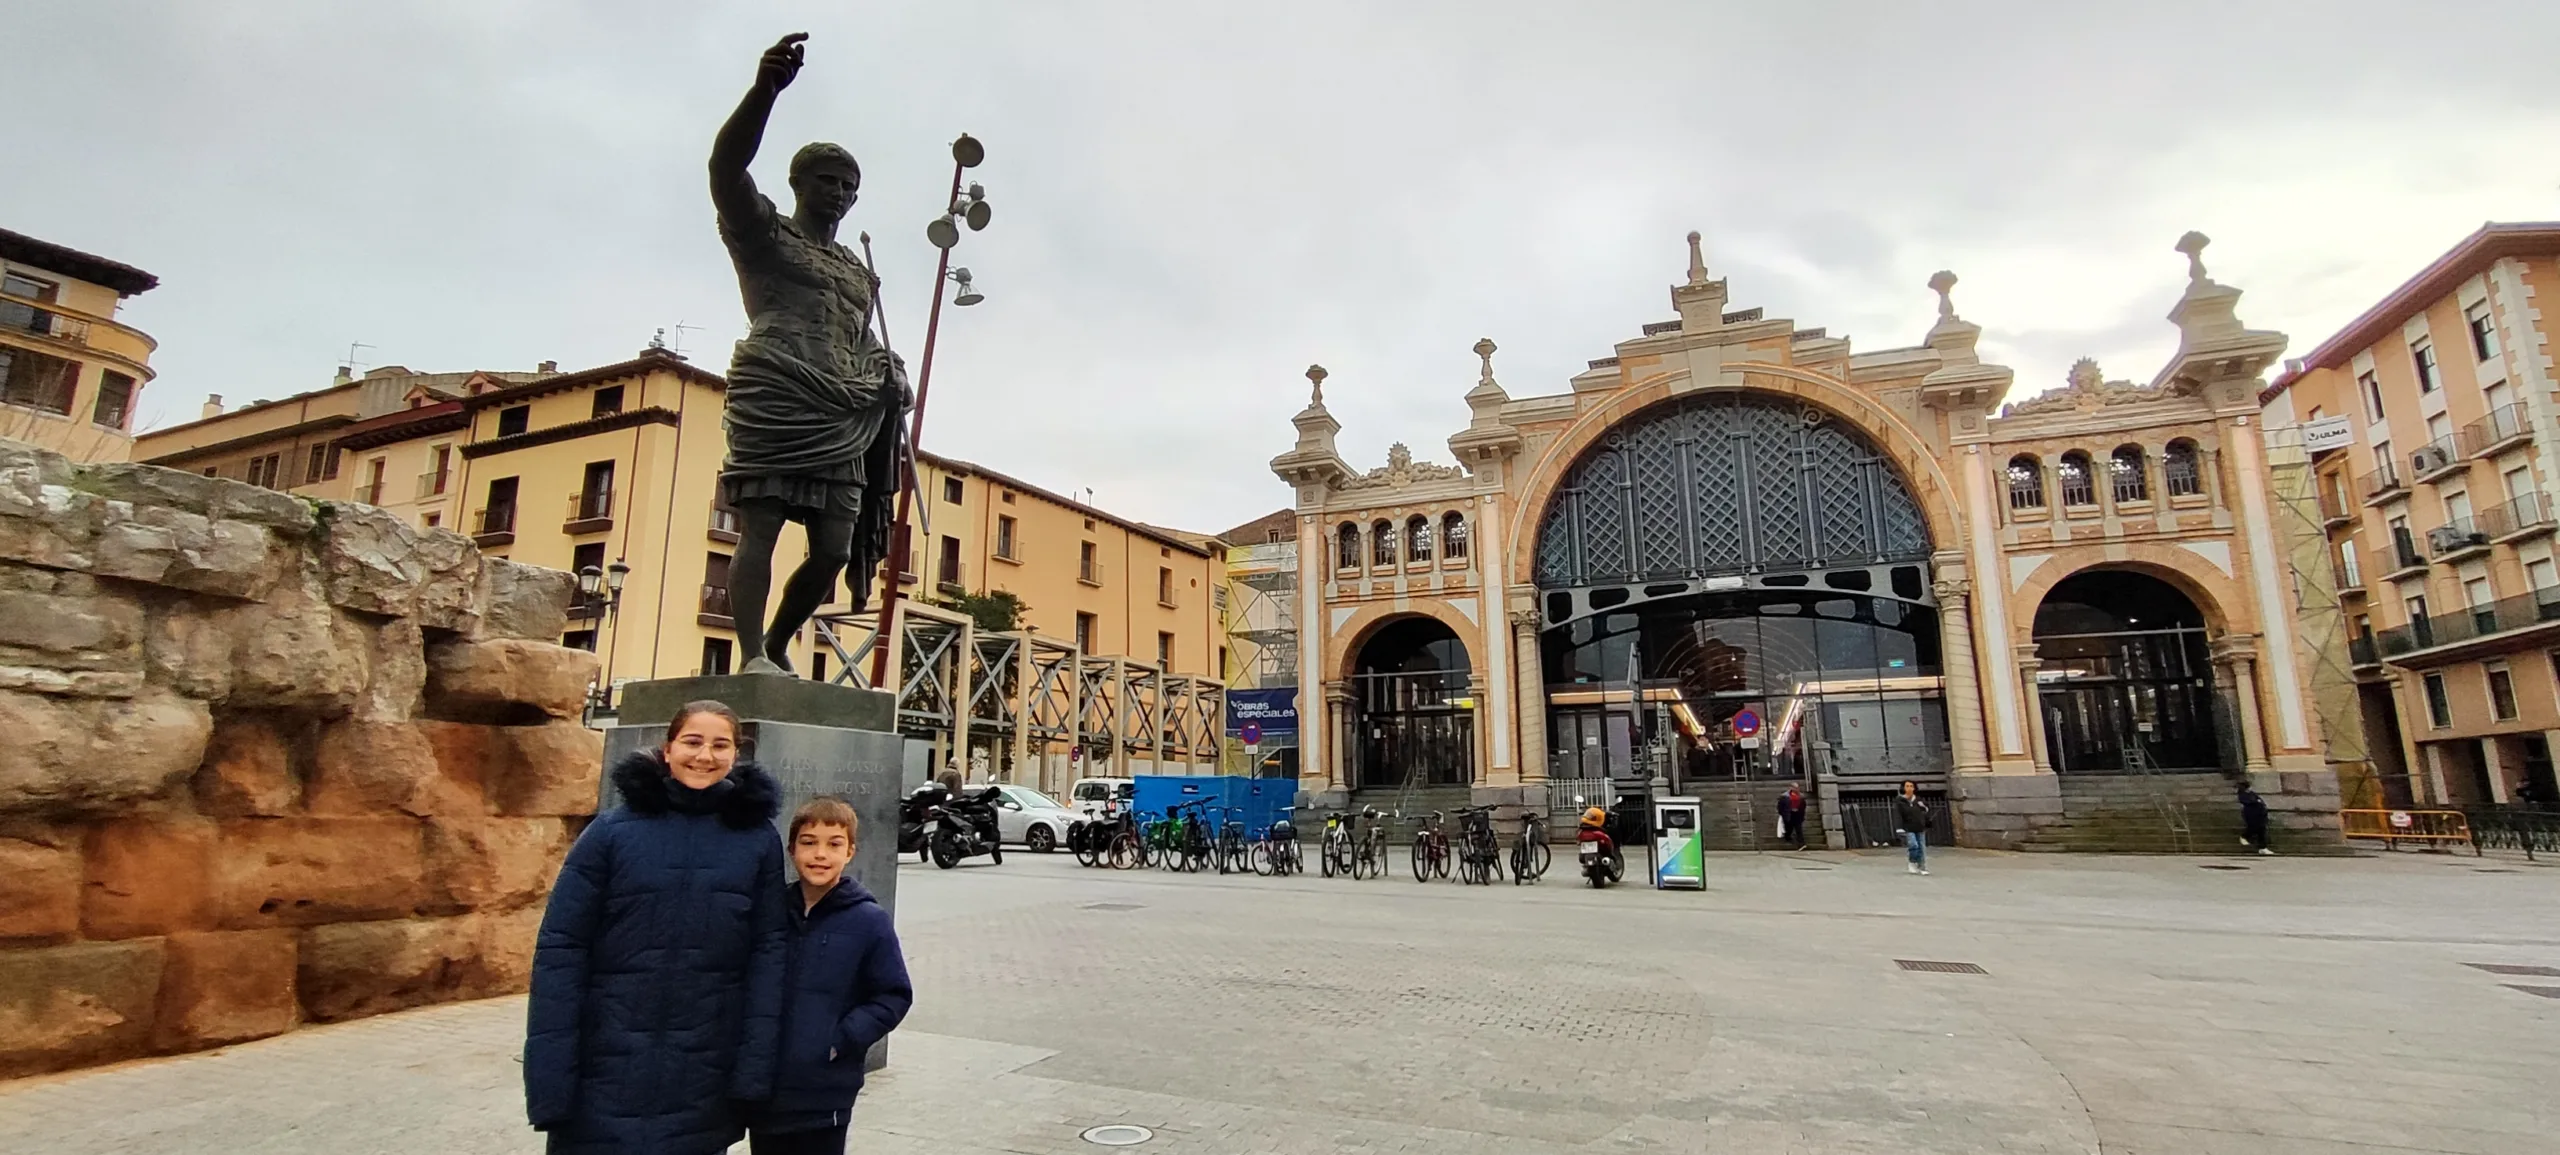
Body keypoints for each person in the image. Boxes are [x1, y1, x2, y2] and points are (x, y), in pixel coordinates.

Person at [708, 32, 911, 676]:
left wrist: (892, 371)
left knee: (832, 548)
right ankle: (749, 658)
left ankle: (774, 646)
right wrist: (765, 91)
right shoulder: (764, 235)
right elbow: (724, 169)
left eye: (850, 185)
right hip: (778, 391)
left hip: (845, 408)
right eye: (828, 180)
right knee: (760, 529)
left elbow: (864, 337)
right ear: (798, 182)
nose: (841, 193)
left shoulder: (858, 270)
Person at [525, 701, 789, 1154]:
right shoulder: (610, 833)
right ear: (667, 750)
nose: (704, 756)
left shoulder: (758, 840)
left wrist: (752, 1072)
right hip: (605, 1066)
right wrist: (550, 1078)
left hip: (703, 1070)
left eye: (719, 745)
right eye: (692, 741)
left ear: (736, 755)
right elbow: (562, 949)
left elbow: (768, 951)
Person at [748, 798, 913, 1155]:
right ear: (792, 849)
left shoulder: (868, 920)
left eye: (834, 844)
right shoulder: (770, 912)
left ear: (850, 851)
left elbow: (893, 994)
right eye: (808, 842)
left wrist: (841, 1039)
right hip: (768, 1087)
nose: (820, 854)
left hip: (826, 1089)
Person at [1894, 780, 1931, 875]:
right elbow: (1898, 815)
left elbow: (1926, 811)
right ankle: (1912, 862)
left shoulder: (1919, 800)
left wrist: (1924, 809)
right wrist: (1899, 827)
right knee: (1913, 845)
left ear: (1914, 788)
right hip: (1908, 827)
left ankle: (1922, 867)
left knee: (1922, 847)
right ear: (1903, 788)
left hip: (1920, 826)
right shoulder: (1900, 801)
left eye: (1911, 786)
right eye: (1907, 786)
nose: (1909, 788)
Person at [2237, 780, 2274, 856]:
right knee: (2254, 828)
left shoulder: (2252, 793)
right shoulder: (2243, 795)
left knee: (2262, 830)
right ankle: (2245, 836)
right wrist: (2256, 802)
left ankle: (2262, 848)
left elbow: (2259, 801)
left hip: (2260, 814)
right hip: (2251, 814)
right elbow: (2251, 801)